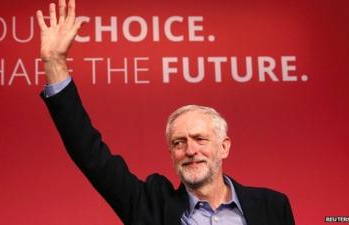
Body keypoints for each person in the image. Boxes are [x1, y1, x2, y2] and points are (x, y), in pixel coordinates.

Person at [36, 1, 295, 224]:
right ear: (171, 154)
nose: (190, 150)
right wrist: (55, 63)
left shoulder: (272, 207)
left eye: (200, 139)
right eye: (179, 143)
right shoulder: (149, 207)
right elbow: (90, 154)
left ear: (224, 146)